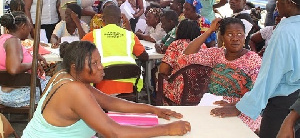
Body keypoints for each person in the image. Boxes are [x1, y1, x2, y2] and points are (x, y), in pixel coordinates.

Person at [21, 41, 191, 137]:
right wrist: (167, 129)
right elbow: (113, 132)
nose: (101, 67)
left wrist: (153, 110)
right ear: (75, 67)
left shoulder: (65, 76)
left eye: (99, 61)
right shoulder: (73, 90)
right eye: (94, 63)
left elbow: (109, 101)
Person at [209, 0, 300, 138]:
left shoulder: (284, 31)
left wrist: (241, 107)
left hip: (283, 105)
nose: (275, 2)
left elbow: (269, 77)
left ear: (288, 2)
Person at [179, 17, 262, 131]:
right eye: (230, 34)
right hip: (213, 105)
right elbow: (187, 55)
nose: (235, 39)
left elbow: (258, 93)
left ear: (245, 37)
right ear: (222, 37)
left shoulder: (253, 59)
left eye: (239, 34)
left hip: (241, 109)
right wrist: (209, 31)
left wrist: (236, 106)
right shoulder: (217, 54)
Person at [82, 5, 148, 95]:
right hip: (128, 89)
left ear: (103, 19)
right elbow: (144, 57)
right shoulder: (130, 35)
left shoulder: (93, 35)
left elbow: (78, 52)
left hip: (102, 90)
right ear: (120, 19)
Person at [0, 12, 46, 107]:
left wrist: (34, 57)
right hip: (16, 93)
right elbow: (14, 69)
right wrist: (35, 64)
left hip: (6, 89)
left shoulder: (4, 38)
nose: (30, 29)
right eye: (30, 25)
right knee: (58, 87)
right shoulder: (13, 41)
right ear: (23, 26)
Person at [158, 19, 201, 105]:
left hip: (179, 92)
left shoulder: (176, 45)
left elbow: (163, 70)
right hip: (199, 91)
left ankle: (160, 105)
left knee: (158, 76)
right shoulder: (202, 45)